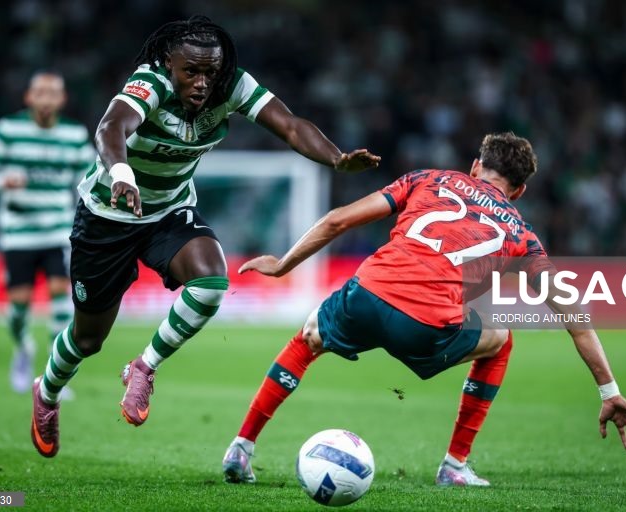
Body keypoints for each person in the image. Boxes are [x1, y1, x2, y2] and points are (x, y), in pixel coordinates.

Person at [29, 16, 380, 458]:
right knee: (87, 339)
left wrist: (337, 158)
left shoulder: (231, 85)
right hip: (109, 215)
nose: (201, 82)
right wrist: (121, 173)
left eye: (209, 72)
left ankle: (143, 368)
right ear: (169, 65)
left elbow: (290, 125)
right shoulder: (150, 81)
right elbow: (110, 128)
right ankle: (48, 392)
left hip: (168, 212)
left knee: (212, 280)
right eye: (190, 72)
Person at [221, 132, 626, 486]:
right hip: (425, 326)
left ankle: (241, 448)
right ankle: (455, 466)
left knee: (310, 335)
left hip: (366, 297)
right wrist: (609, 391)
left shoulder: (428, 178)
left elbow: (337, 220)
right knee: (499, 338)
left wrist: (282, 265)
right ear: (518, 191)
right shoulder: (522, 234)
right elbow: (573, 315)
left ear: (475, 166)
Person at [0, 71, 94, 397]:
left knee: (60, 292)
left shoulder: (74, 134)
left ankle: (54, 373)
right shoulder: (9, 130)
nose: (46, 98)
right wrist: (2, 181)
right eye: (40, 92)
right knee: (19, 304)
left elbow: (90, 177)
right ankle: (23, 348)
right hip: (18, 232)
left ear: (62, 100)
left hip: (57, 229)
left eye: (53, 93)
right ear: (28, 97)